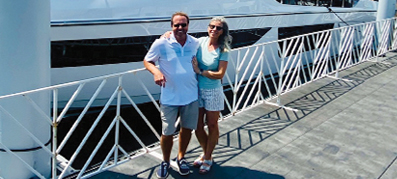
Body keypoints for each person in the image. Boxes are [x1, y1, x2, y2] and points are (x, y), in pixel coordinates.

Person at [143, 12, 200, 179]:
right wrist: (156, 72)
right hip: (169, 97)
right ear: (171, 26)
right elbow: (147, 60)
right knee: (167, 132)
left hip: (191, 95)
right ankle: (165, 161)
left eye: (183, 25)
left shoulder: (195, 42)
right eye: (177, 25)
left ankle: (181, 157)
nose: (180, 28)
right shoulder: (161, 43)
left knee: (187, 129)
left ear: (188, 26)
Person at [191, 16, 232, 174]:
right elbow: (183, 38)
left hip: (213, 91)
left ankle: (207, 157)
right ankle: (206, 152)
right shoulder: (200, 42)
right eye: (212, 26)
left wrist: (200, 71)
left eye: (218, 28)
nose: (214, 29)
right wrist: (167, 34)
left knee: (212, 124)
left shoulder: (224, 49)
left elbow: (220, 74)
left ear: (223, 32)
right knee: (198, 126)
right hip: (197, 90)